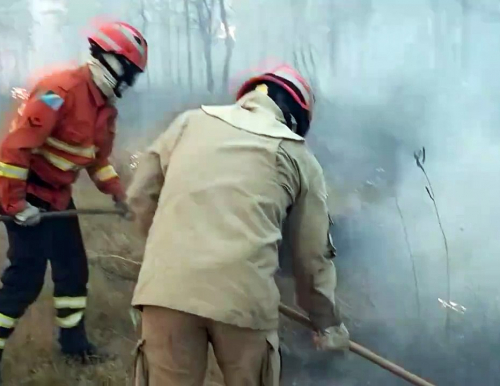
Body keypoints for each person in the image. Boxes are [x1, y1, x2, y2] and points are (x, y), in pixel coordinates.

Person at [125, 63, 349, 386]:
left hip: (167, 291)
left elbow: (140, 195)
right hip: (245, 302)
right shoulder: (299, 156)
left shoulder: (189, 123)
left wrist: (169, 254)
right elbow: (311, 258)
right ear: (296, 117)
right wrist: (327, 324)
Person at [0, 21, 148, 386]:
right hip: (24, 193)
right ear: (108, 60)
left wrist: (119, 194)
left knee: (73, 270)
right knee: (25, 280)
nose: (130, 80)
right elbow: (14, 150)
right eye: (129, 71)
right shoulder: (58, 92)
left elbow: (97, 160)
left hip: (59, 198)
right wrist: (16, 205)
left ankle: (74, 345)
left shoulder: (104, 109)